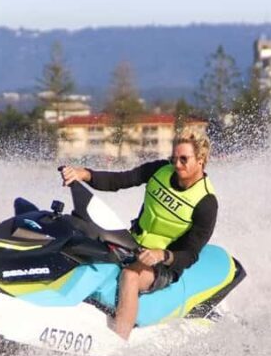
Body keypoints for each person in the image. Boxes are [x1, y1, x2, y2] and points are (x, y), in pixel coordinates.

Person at [61, 127, 218, 339]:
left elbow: (191, 254)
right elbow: (120, 180)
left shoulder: (206, 202)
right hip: (131, 245)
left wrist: (162, 255)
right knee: (81, 244)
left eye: (183, 159)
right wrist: (84, 174)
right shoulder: (160, 170)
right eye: (174, 158)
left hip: (164, 265)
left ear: (200, 160)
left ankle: (119, 342)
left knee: (129, 275)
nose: (176, 164)